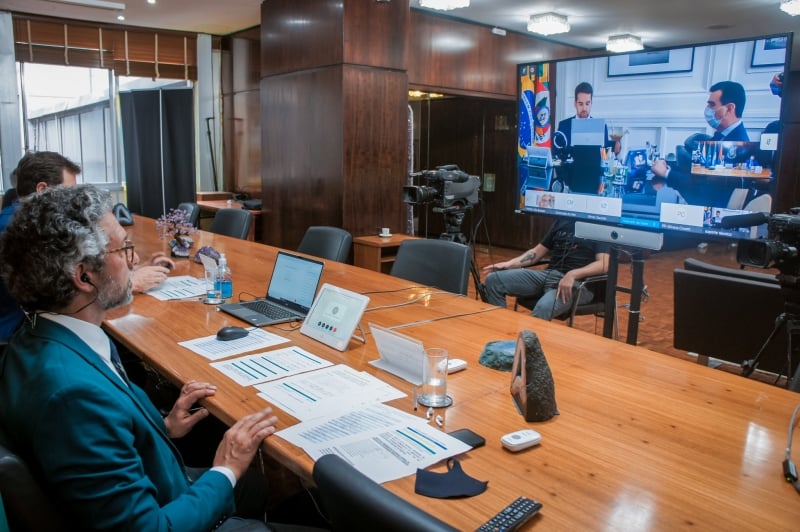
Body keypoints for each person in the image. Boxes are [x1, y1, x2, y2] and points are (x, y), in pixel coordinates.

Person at [0, 184, 279, 530]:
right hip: (166, 509)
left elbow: (99, 443)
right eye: (123, 248)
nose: (133, 260)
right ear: (84, 275)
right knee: (248, 481)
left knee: (258, 484)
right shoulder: (71, 397)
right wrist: (227, 467)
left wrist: (161, 427)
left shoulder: (38, 335)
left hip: (150, 481)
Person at [0, 151, 175, 345]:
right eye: (68, 191)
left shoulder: (19, 219)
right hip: (18, 334)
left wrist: (124, 268)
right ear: (42, 189)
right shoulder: (24, 230)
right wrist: (130, 282)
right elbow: (62, 287)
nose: (75, 200)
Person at [481, 219, 610, 321]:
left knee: (544, 307)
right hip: (548, 275)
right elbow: (536, 252)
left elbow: (603, 264)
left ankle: (529, 350)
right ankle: (499, 334)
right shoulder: (561, 221)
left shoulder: (599, 225)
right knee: (494, 280)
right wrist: (508, 264)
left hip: (578, 284)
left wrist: (572, 275)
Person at [554, 82, 620, 155]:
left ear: (591, 103)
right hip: (570, 166)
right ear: (575, 104)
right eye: (580, 104)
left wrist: (615, 147)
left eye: (587, 104)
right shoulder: (563, 125)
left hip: (594, 166)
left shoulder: (601, 127)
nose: (584, 108)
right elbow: (557, 154)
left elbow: (604, 156)